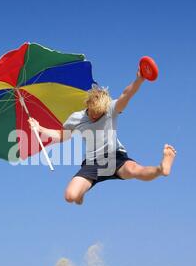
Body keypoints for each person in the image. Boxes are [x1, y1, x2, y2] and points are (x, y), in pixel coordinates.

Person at [28, 67, 176, 205]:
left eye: (99, 115)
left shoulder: (111, 109)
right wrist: (40, 128)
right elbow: (62, 136)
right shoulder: (76, 118)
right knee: (70, 196)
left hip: (115, 157)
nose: (95, 117)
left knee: (134, 170)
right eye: (93, 114)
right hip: (93, 163)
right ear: (87, 106)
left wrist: (139, 79)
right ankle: (81, 193)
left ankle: (161, 169)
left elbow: (127, 94)